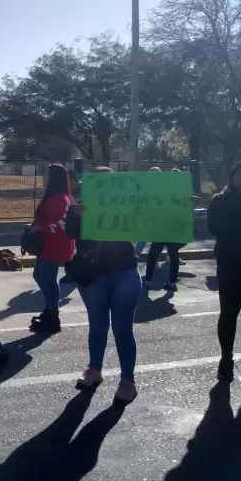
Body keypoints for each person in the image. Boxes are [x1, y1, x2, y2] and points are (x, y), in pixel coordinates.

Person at [66, 166, 141, 404]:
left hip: (125, 274)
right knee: (97, 326)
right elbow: (69, 234)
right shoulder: (77, 207)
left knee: (123, 329)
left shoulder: (127, 205)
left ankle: (127, 381)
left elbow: (148, 222)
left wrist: (174, 208)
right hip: (93, 276)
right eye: (97, 182)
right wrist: (75, 215)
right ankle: (94, 370)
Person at [207, 160, 241, 382]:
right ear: (233, 177)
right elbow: (213, 226)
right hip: (230, 266)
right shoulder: (220, 200)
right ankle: (226, 359)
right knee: (228, 315)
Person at [29, 164, 75, 334]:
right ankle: (50, 309)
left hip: (55, 244)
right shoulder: (54, 196)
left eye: (45, 174)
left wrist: (41, 228)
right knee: (39, 275)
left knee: (48, 278)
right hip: (46, 243)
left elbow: (61, 223)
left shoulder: (61, 198)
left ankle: (53, 314)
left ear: (53, 177)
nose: (43, 177)